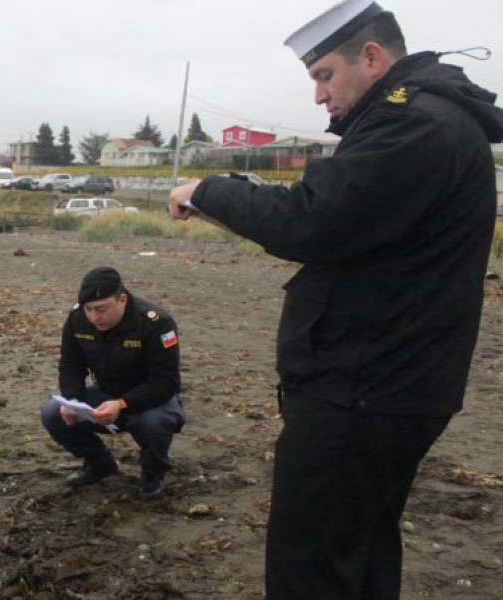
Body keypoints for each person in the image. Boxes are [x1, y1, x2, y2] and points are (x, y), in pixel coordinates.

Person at [169, 1, 503, 598]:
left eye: (324, 75)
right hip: (386, 385)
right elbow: (342, 229)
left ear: (371, 57)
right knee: (361, 546)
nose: (319, 97)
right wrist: (230, 207)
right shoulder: (419, 121)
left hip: (363, 390)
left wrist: (209, 188)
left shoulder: (413, 124)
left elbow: (311, 220)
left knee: (313, 563)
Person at [41, 267, 185, 500]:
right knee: (52, 412)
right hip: (107, 393)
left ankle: (153, 473)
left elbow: (165, 382)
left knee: (152, 423)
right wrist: (73, 400)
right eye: (88, 309)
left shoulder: (155, 322)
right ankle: (100, 462)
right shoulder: (77, 319)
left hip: (153, 400)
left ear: (122, 300)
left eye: (101, 309)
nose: (94, 317)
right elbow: (71, 367)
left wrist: (122, 404)